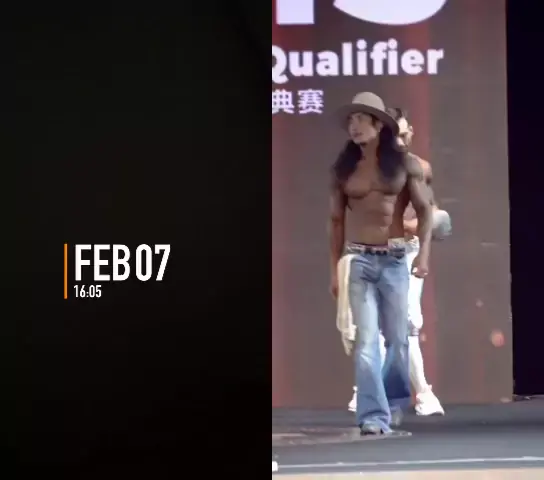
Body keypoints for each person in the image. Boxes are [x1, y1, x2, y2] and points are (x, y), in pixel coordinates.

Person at [330, 92, 433, 435]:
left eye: (361, 119)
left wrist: (423, 255)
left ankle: (393, 401)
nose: (354, 126)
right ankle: (373, 416)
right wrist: (334, 270)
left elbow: (426, 211)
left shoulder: (404, 165)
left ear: (378, 125)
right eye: (350, 120)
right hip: (358, 260)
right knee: (366, 343)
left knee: (399, 340)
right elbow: (335, 222)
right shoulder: (345, 169)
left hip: (394, 260)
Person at [347, 108, 449, 417]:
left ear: (411, 133)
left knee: (407, 322)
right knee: (369, 328)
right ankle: (372, 391)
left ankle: (422, 393)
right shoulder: (365, 168)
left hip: (407, 251)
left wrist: (416, 234)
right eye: (395, 136)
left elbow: (429, 212)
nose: (400, 142)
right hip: (372, 252)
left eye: (404, 135)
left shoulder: (418, 167)